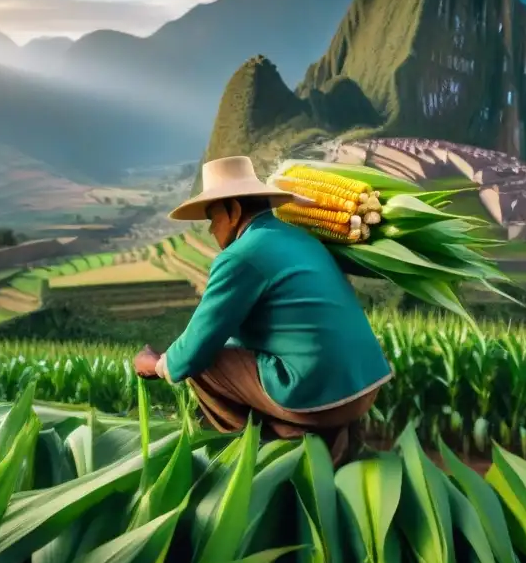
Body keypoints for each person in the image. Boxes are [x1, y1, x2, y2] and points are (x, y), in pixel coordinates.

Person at [133, 155, 392, 464]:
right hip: (365, 385)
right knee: (230, 350)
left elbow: (191, 354)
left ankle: (261, 453)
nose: (212, 229)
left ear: (235, 210)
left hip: (324, 398)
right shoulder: (300, 237)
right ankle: (311, 438)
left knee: (203, 365)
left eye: (213, 217)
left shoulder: (241, 255)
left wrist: (156, 364)